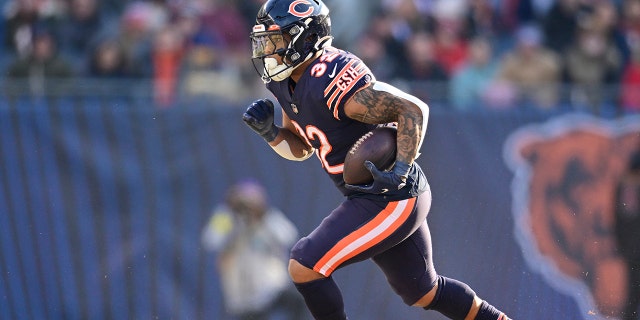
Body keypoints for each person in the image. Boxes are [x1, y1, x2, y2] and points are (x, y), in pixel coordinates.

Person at [241, 1, 511, 319]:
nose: (270, 49)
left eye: (277, 39)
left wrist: (401, 167)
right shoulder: (284, 80)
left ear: (305, 37)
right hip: (368, 195)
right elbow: (302, 149)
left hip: (391, 194)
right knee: (424, 292)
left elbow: (413, 110)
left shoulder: (330, 78)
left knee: (305, 264)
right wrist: (270, 132)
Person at [201, 179, 309, 320]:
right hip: (243, 294)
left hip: (272, 286)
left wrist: (263, 215)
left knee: (298, 302)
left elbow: (289, 236)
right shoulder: (227, 218)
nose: (248, 207)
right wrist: (229, 213)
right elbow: (210, 241)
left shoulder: (268, 218)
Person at [614, 151, 640, 320]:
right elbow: (626, 214)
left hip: (632, 250)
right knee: (632, 297)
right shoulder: (631, 182)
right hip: (635, 251)